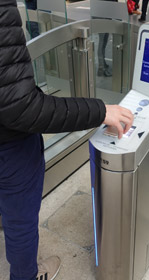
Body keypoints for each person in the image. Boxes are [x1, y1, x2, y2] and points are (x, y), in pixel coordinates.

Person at [0, 1, 134, 280]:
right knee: (20, 222)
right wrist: (100, 110)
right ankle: (25, 275)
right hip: (9, 144)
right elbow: (21, 108)